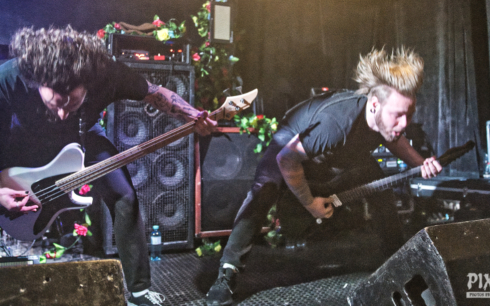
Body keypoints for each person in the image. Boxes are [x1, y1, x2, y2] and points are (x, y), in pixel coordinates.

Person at [205, 47, 443, 306]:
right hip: (292, 146)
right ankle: (227, 273)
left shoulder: (383, 119)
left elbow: (394, 138)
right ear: (375, 104)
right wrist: (310, 204)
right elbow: (287, 159)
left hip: (339, 154)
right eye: (398, 115)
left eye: (409, 114)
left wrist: (421, 163)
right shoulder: (336, 124)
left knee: (379, 186)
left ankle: (399, 267)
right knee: (265, 188)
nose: (404, 124)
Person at [0, 26, 217, 306]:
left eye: (73, 103)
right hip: (21, 142)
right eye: (56, 104)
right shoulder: (10, 77)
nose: (63, 113)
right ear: (37, 80)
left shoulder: (106, 73)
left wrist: (194, 116)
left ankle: (139, 291)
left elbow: (154, 93)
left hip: (83, 137)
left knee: (124, 195)